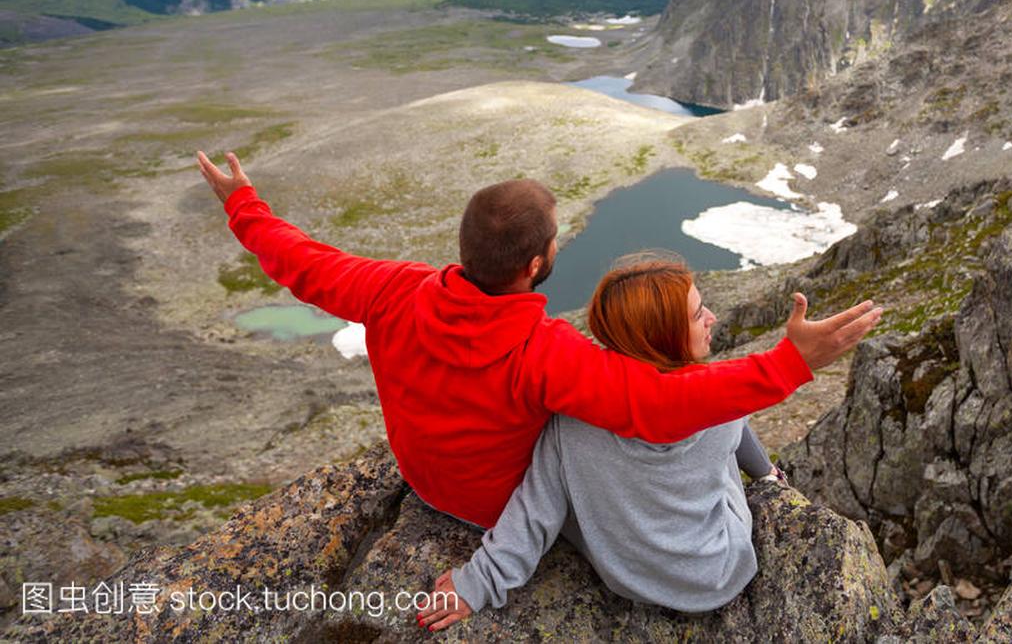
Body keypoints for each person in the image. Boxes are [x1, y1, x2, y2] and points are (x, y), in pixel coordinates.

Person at [196, 151, 882, 530]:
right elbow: (657, 403)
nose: (559, 239)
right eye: (556, 235)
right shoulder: (545, 352)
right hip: (498, 510)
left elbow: (305, 265)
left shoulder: (394, 288)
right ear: (534, 266)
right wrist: (792, 362)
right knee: (605, 420)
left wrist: (242, 202)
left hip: (420, 478)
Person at [417, 258, 817, 632]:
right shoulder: (718, 410)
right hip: (719, 573)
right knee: (724, 398)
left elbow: (533, 511)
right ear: (665, 337)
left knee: (565, 485)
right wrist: (766, 476)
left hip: (627, 579)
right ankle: (768, 473)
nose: (712, 318)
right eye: (698, 314)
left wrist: (476, 583)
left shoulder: (570, 420)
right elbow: (731, 408)